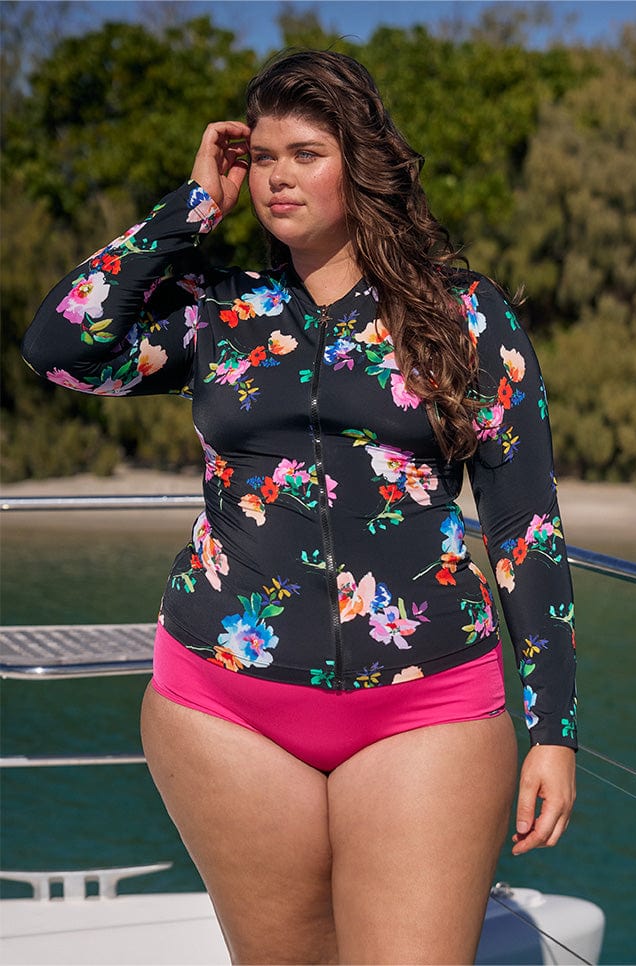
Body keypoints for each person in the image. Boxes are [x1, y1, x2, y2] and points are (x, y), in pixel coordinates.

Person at [22, 49, 576, 966]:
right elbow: (60, 347)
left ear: (362, 163)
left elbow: (525, 528)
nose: (279, 176)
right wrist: (192, 205)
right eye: (263, 155)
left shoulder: (463, 316)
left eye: (307, 152)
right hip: (224, 707)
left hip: (426, 705)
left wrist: (552, 729)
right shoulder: (219, 311)